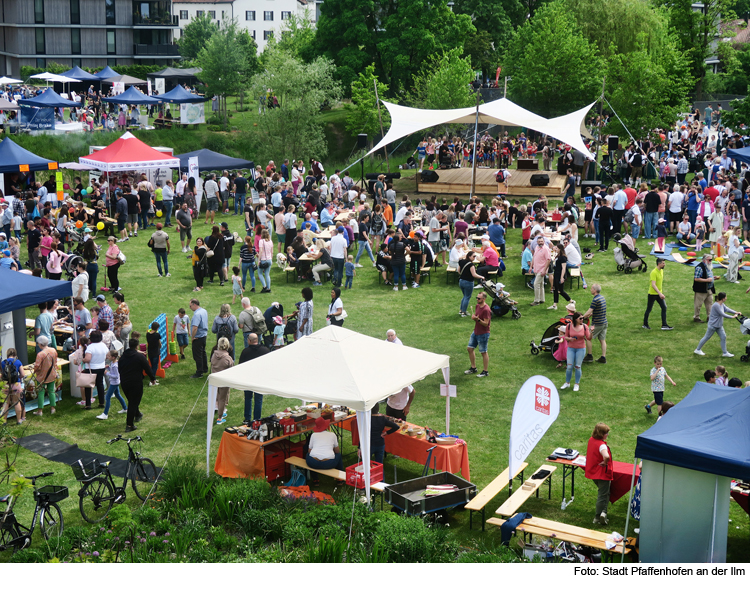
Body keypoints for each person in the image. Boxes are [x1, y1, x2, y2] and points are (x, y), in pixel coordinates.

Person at [119, 337, 157, 432]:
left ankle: (138, 414)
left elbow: (119, 369)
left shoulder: (122, 357)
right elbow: (147, 368)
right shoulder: (139, 357)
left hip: (124, 382)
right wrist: (153, 378)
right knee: (133, 402)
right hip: (135, 382)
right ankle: (129, 425)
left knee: (132, 400)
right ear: (137, 346)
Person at [585, 423, 614, 525]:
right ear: (601, 434)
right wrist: (605, 462)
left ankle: (603, 513)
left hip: (593, 472)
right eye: (606, 433)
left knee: (606, 492)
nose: (607, 434)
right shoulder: (602, 445)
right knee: (602, 495)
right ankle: (598, 517)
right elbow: (606, 456)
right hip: (602, 473)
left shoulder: (591, 440)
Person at [694, 291, 739, 357]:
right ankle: (697, 350)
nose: (726, 298)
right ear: (722, 298)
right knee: (706, 337)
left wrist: (736, 312)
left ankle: (725, 353)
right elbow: (722, 314)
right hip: (713, 325)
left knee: (723, 337)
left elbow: (726, 309)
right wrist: (732, 317)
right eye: (725, 297)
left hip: (719, 325)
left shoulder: (721, 304)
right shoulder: (716, 305)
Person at [239, 332, 270, 423]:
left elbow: (240, 366)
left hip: (248, 379)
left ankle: (247, 419)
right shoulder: (265, 351)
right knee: (258, 399)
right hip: (260, 379)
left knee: (248, 398)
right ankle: (257, 419)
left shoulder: (245, 352)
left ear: (249, 341)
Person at [560, 312, 590, 392]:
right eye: (580, 318)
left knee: (578, 366)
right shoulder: (569, 326)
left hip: (581, 349)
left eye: (582, 318)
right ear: (575, 319)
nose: (582, 319)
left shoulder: (585, 326)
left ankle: (577, 384)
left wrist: (592, 332)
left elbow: (589, 338)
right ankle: (567, 382)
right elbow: (566, 336)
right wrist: (570, 339)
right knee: (569, 366)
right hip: (571, 348)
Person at [465, 290, 491, 377]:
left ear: (484, 299)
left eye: (479, 298)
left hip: (483, 333)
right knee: (469, 348)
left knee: (483, 352)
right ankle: (473, 368)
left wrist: (477, 320)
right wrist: (475, 318)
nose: (477, 299)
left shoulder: (486, 309)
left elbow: (486, 323)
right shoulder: (477, 306)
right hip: (476, 331)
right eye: (476, 298)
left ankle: (485, 371)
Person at [643, 258, 673, 330]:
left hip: (659, 294)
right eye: (663, 263)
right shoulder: (654, 272)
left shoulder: (661, 271)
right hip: (652, 294)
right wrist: (660, 293)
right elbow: (653, 285)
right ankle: (645, 324)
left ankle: (664, 325)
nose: (664, 264)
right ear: (659, 264)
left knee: (664, 307)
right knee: (649, 309)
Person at [97, 349, 127, 420]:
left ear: (113, 357)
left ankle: (105, 414)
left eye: (109, 356)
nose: (107, 357)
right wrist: (109, 368)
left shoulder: (115, 366)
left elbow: (116, 376)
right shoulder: (113, 363)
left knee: (107, 397)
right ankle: (125, 408)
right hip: (115, 382)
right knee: (118, 395)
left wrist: (107, 373)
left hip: (114, 383)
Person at [32, 336, 58, 416]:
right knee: (51, 391)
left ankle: (40, 411)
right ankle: (53, 408)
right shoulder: (53, 350)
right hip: (52, 374)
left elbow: (37, 367)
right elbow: (55, 362)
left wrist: (34, 369)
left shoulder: (40, 354)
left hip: (42, 376)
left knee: (41, 392)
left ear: (40, 344)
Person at [211, 337, 234, 426]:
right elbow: (232, 370)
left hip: (215, 380)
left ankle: (220, 412)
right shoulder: (228, 358)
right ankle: (219, 417)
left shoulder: (214, 355)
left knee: (217, 397)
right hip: (223, 381)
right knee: (222, 399)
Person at [582, 284, 607, 363]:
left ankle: (589, 356)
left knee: (587, 338)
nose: (590, 289)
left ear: (595, 290)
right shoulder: (602, 298)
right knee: (602, 340)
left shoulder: (595, 300)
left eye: (591, 288)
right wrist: (593, 314)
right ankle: (603, 357)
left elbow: (589, 311)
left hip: (597, 324)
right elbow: (601, 309)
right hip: (604, 323)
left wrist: (581, 318)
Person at [1, 348, 26, 425]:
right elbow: (23, 374)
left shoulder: (3, 362)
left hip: (6, 384)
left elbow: (1, 375)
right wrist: (18, 378)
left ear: (7, 354)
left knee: (5, 403)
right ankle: (19, 420)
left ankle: (4, 421)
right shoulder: (18, 362)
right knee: (16, 402)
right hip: (16, 384)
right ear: (15, 354)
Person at [458, 251, 485, 316]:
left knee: (464, 296)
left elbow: (458, 270)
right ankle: (463, 312)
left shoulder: (461, 261)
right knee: (467, 297)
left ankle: (461, 310)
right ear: (469, 256)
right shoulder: (471, 265)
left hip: (461, 281)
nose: (474, 257)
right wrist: (482, 277)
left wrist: (463, 275)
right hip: (468, 282)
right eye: (473, 256)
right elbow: (474, 274)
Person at [693, 253, 715, 323]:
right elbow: (696, 278)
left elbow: (708, 276)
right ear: (704, 260)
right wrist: (707, 280)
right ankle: (696, 317)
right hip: (701, 290)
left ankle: (709, 317)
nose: (711, 261)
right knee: (698, 304)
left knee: (710, 304)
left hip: (709, 289)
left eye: (711, 260)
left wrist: (713, 278)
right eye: (709, 260)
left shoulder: (708, 267)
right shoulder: (699, 267)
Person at [530, 235, 551, 306]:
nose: (540, 242)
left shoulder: (546, 249)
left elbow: (548, 260)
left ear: (544, 241)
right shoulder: (536, 247)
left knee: (536, 284)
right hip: (536, 268)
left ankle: (536, 301)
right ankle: (542, 299)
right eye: (539, 241)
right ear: (537, 242)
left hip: (542, 269)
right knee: (541, 284)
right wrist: (531, 266)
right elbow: (534, 257)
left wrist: (544, 270)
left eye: (541, 241)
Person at [190, 298, 209, 378]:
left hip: (198, 337)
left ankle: (199, 372)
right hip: (204, 335)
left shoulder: (197, 314)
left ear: (194, 305)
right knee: (203, 353)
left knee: (197, 355)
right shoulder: (204, 311)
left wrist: (192, 337)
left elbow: (195, 328)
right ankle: (205, 368)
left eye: (190, 306)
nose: (190, 308)